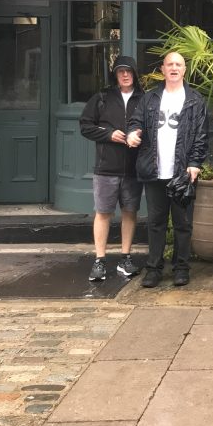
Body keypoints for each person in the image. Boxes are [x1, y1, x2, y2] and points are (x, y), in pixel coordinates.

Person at [126, 51, 208, 289]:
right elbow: (136, 122)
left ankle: (181, 268)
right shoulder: (149, 98)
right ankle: (154, 269)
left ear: (184, 70)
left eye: (178, 64)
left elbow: (201, 136)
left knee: (183, 224)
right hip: (154, 171)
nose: (174, 68)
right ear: (162, 69)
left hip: (182, 173)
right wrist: (133, 133)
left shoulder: (195, 99)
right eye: (169, 64)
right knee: (156, 222)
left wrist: (195, 163)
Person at [78, 55, 145, 282]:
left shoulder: (144, 99)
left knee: (129, 212)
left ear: (135, 74)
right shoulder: (102, 98)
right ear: (115, 75)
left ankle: (125, 257)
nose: (125, 75)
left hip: (133, 168)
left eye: (129, 71)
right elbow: (85, 126)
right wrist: (108, 134)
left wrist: (140, 135)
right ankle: (100, 260)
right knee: (103, 213)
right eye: (120, 71)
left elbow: (151, 127)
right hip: (106, 167)